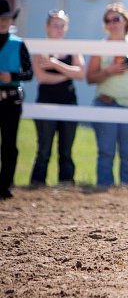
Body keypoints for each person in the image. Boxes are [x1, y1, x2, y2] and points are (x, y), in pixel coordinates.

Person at [86, 3, 128, 188]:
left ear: (125, 21)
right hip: (106, 102)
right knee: (106, 151)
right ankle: (104, 187)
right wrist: (109, 71)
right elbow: (90, 77)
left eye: (116, 19)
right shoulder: (101, 46)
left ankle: (127, 189)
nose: (112, 23)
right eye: (107, 20)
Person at [30, 10, 85, 186]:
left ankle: (66, 183)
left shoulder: (72, 48)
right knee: (44, 148)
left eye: (62, 26)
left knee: (66, 149)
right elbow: (42, 77)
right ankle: (37, 183)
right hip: (46, 102)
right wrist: (67, 74)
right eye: (55, 25)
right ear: (47, 27)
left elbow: (81, 73)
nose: (59, 29)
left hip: (68, 102)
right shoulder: (40, 48)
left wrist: (55, 64)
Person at [0, 0, 33, 200]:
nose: (4, 22)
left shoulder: (19, 44)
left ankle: (5, 184)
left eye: (7, 18)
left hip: (11, 99)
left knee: (9, 143)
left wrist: (11, 77)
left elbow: (29, 73)